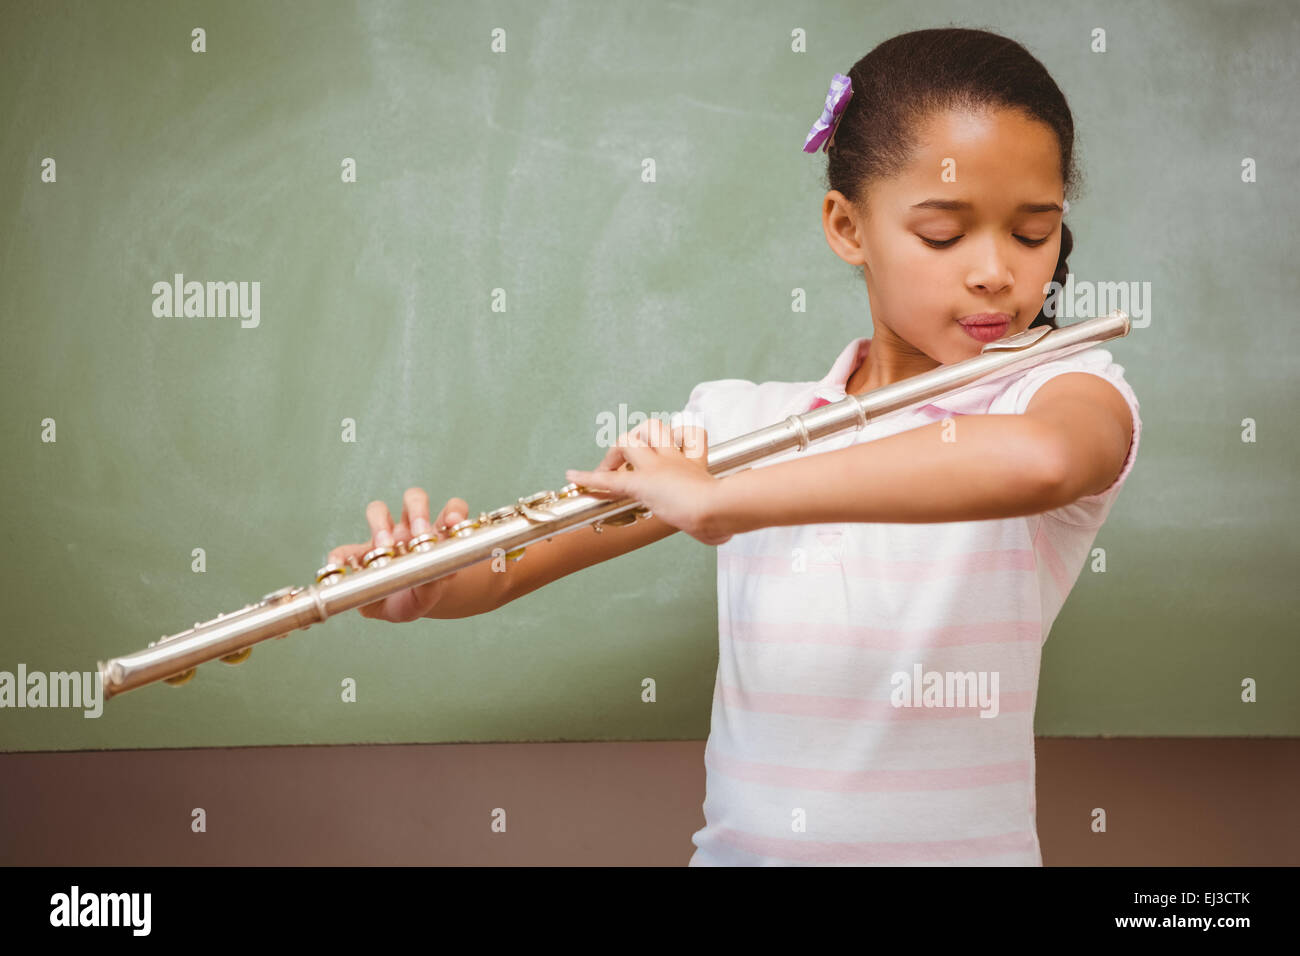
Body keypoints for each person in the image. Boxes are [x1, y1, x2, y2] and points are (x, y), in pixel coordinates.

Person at [327, 27, 1142, 866]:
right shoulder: (738, 419)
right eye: (943, 233)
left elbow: (1045, 461)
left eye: (1032, 233)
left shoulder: (1059, 391)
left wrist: (724, 499)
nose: (995, 273)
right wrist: (430, 580)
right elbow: (509, 571)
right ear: (847, 227)